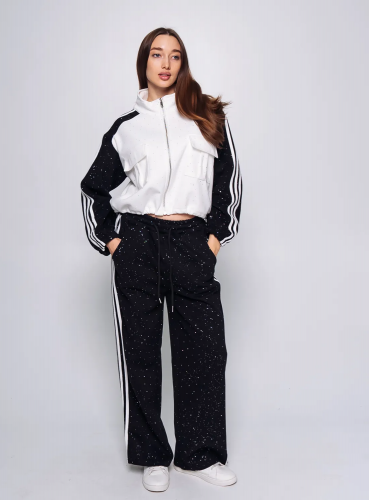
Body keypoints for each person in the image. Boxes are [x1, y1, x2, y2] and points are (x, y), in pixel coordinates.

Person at [80, 27, 243, 492]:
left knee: (205, 353)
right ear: (144, 62)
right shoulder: (125, 129)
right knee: (141, 353)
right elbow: (93, 190)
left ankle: (199, 455)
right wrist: (113, 242)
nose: (166, 63)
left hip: (192, 241)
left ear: (182, 64)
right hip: (139, 241)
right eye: (157, 54)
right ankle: (153, 455)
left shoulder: (208, 117)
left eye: (174, 56)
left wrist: (214, 239)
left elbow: (229, 185)